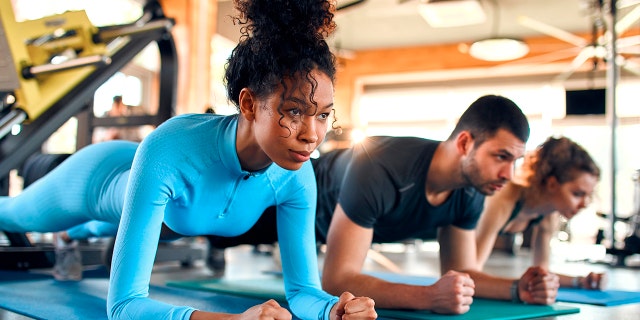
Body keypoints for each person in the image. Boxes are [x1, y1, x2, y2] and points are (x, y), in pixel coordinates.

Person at [0, 1, 377, 319]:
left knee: (113, 226)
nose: (312, 134)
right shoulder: (172, 149)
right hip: (99, 176)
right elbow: (123, 305)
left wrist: (334, 309)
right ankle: (69, 228)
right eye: (294, 112)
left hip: (159, 207)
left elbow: (302, 292)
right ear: (248, 104)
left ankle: (72, 235)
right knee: (12, 214)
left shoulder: (297, 175)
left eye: (324, 115)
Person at [206, 94, 558, 314]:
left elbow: (462, 273)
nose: (509, 173)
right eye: (501, 156)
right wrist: (427, 297)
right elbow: (337, 279)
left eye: (515, 161)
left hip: (315, 228)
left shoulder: (470, 190)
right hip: (282, 199)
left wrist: (517, 288)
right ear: (465, 143)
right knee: (203, 226)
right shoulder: (382, 165)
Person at [475, 136, 604, 290]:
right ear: (552, 184)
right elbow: (469, 272)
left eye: (588, 195)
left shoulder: (549, 213)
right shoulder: (503, 200)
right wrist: (519, 289)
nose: (585, 204)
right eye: (577, 194)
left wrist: (581, 281)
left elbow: (542, 274)